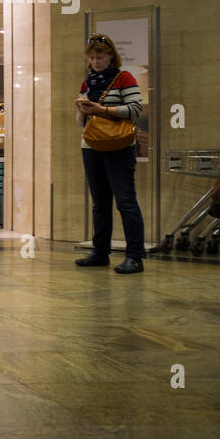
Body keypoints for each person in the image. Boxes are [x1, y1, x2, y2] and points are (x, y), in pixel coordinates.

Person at [74, 33, 145, 274]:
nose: (96, 62)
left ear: (111, 56)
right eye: (92, 58)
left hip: (118, 147)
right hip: (91, 146)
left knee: (125, 201)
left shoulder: (124, 78)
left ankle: (135, 256)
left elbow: (136, 109)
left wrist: (101, 109)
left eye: (100, 57)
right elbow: (81, 121)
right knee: (100, 203)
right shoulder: (88, 82)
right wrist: (82, 111)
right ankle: (100, 252)